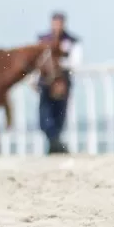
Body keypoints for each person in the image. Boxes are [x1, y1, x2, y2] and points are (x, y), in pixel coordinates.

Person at [37, 11, 82, 154]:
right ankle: (54, 142)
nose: (56, 26)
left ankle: (55, 143)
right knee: (44, 114)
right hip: (46, 82)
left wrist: (59, 64)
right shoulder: (43, 40)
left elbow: (76, 62)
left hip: (63, 81)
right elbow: (36, 61)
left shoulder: (71, 41)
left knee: (59, 113)